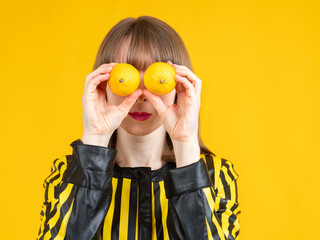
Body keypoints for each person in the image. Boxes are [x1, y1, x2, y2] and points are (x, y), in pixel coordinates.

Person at [36, 16, 241, 240]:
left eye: (154, 75)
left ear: (178, 85)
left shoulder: (216, 175)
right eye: (127, 76)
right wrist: (94, 140)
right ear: (103, 84)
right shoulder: (68, 174)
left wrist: (185, 146)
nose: (141, 95)